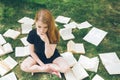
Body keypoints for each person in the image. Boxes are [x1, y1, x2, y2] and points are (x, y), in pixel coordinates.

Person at [20, 9, 70, 78]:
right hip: (37, 55)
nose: (42, 30)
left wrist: (46, 41)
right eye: (39, 27)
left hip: (52, 55)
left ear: (49, 25)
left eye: (45, 27)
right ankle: (46, 69)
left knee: (66, 68)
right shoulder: (32, 33)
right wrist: (42, 65)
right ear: (35, 23)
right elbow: (31, 51)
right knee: (23, 66)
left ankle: (47, 67)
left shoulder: (54, 33)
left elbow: (48, 56)